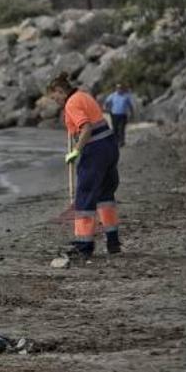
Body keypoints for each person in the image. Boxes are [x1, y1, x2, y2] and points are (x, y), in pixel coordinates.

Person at [48, 72, 121, 259]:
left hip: (95, 149)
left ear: (60, 91)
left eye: (54, 96)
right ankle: (113, 240)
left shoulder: (71, 103)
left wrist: (76, 151)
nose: (54, 100)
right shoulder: (84, 96)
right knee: (105, 195)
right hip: (109, 145)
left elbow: (86, 127)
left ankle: (84, 244)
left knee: (85, 196)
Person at [103, 83, 135, 147]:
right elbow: (106, 102)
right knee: (115, 129)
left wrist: (132, 113)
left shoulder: (126, 96)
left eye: (120, 88)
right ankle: (116, 141)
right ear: (116, 89)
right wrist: (106, 109)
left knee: (121, 129)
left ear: (122, 89)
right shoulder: (112, 95)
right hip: (114, 115)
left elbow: (130, 105)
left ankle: (122, 142)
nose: (119, 89)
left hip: (123, 115)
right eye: (118, 88)